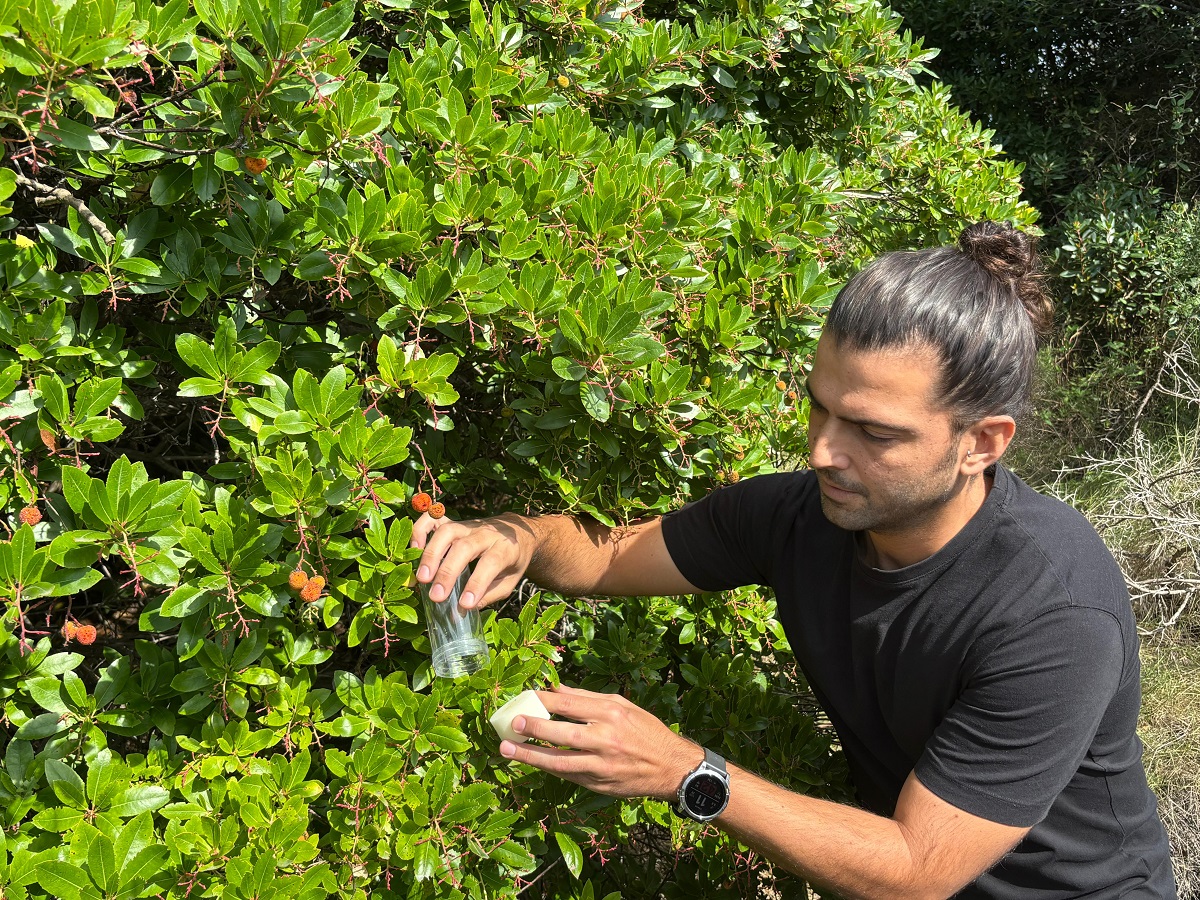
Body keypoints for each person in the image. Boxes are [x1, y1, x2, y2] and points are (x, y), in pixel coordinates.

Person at [410, 222, 1176, 899]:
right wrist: (518, 536)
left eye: (874, 433)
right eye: (819, 406)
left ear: (982, 443)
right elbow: (605, 560)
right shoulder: (798, 515)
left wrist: (685, 772)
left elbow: (915, 870)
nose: (822, 451)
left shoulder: (1053, 611)